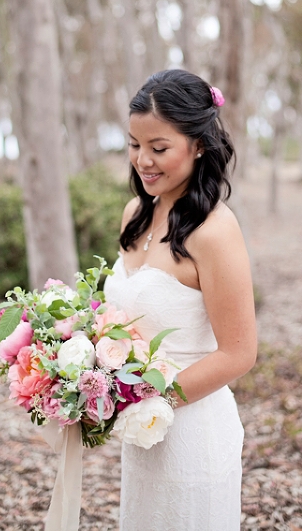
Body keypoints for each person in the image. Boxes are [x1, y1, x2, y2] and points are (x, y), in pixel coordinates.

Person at [103, 69, 257, 530]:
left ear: (199, 144)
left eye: (159, 148)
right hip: (142, 438)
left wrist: (145, 398)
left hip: (193, 437)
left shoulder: (214, 231)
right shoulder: (135, 213)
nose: (143, 160)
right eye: (134, 144)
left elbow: (239, 352)